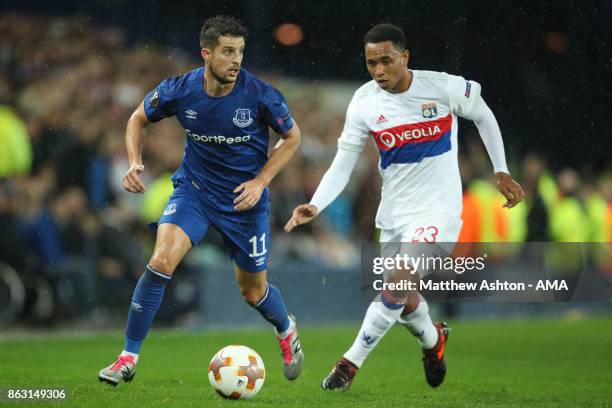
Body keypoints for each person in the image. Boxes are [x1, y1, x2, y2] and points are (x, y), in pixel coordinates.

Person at [285, 23, 524, 391]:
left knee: (397, 282)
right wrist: (316, 204)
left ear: (405, 57)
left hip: (439, 212)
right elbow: (343, 162)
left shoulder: (442, 87)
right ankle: (433, 341)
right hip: (395, 215)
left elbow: (484, 115)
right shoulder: (365, 101)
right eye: (370, 63)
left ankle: (349, 364)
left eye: (386, 61)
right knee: (404, 298)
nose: (379, 71)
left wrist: (501, 169)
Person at [99, 15, 303, 386]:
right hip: (195, 190)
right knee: (160, 261)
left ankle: (286, 328)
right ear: (206, 53)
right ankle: (127, 357)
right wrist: (134, 161)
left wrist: (261, 180)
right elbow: (136, 119)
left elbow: (292, 138)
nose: (236, 60)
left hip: (245, 202)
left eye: (240, 51)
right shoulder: (180, 89)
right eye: (228, 52)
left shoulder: (261, 95)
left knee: (252, 292)